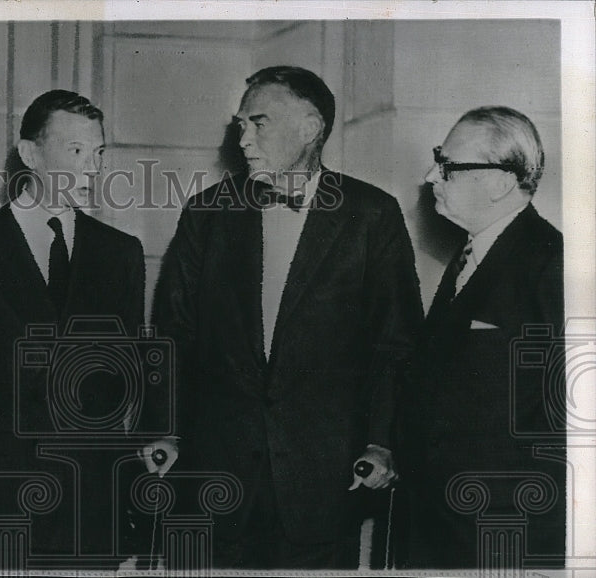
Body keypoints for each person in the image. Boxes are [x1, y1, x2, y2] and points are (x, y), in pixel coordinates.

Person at [147, 66, 423, 569]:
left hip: (325, 480)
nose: (244, 139)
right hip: (215, 477)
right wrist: (164, 429)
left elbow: (395, 343)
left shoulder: (372, 214)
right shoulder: (207, 213)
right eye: (239, 126)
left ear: (311, 126)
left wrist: (382, 443)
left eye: (259, 123)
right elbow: (173, 335)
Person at [0, 89, 146, 571]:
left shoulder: (121, 253)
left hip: (91, 506)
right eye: (76, 151)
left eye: (99, 152)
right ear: (29, 154)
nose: (92, 167)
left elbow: (126, 382)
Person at [400, 106, 565, 569]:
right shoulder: (468, 256)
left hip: (499, 533)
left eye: (448, 165)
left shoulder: (551, 262)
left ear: (499, 182)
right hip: (438, 526)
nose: (432, 174)